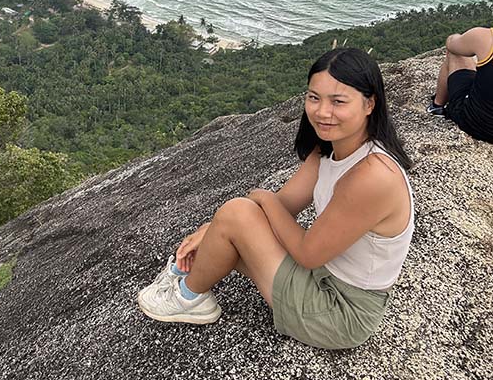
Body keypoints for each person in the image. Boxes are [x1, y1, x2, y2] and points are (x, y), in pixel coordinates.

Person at [137, 48, 414, 350]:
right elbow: (287, 204)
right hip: (324, 275)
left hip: (340, 312)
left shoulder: (373, 175)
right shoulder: (330, 150)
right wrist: (211, 229)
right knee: (232, 224)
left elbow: (307, 251)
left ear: (370, 103)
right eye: (314, 97)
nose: (322, 112)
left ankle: (188, 297)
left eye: (338, 101)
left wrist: (263, 200)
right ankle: (190, 273)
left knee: (238, 214)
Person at [426, 26, 493, 144]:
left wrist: (466, 40)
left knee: (456, 54)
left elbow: (451, 44)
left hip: (479, 125)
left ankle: (437, 106)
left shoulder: (485, 37)